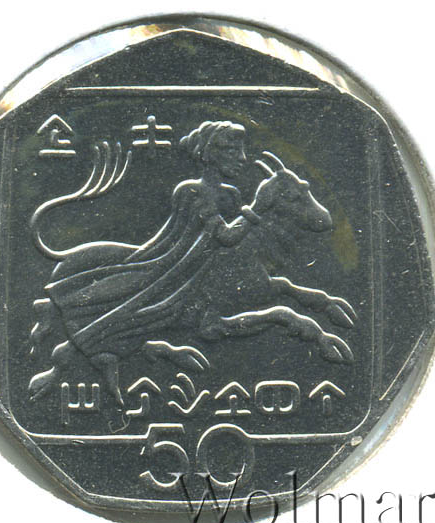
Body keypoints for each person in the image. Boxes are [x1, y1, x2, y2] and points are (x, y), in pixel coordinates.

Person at [29, 120, 275, 403]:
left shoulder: (230, 194)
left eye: (241, 150)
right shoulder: (192, 191)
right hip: (172, 268)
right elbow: (226, 236)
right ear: (210, 153)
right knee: (138, 310)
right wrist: (260, 205)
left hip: (204, 270)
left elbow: (237, 242)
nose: (242, 158)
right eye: (232, 151)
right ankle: (66, 355)